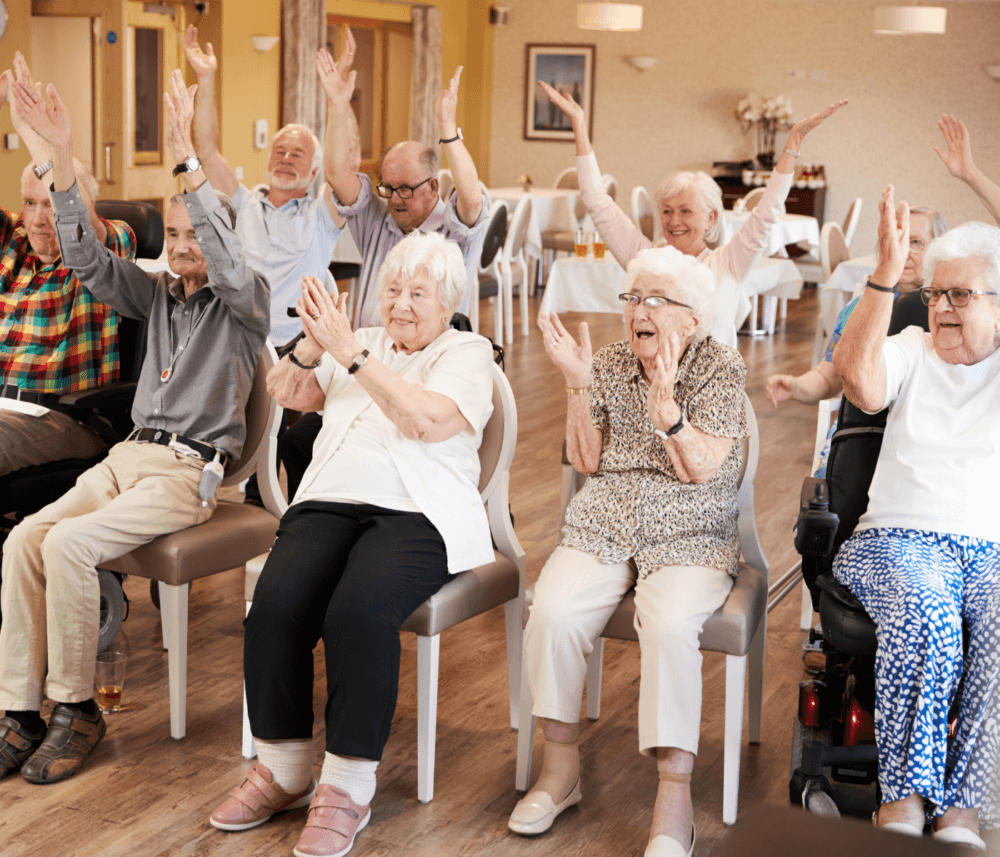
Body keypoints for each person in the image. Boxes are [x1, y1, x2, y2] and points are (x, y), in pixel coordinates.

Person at [0, 70, 268, 784]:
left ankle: (76, 709)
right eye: (173, 233)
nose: (181, 245)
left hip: (188, 470)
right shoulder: (156, 297)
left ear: (218, 240)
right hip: (127, 456)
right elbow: (85, 258)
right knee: (26, 537)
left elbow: (229, 259)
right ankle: (21, 714)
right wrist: (59, 157)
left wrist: (185, 157)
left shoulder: (246, 306)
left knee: (70, 544)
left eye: (194, 235)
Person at [211, 231, 494, 857]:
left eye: (419, 293)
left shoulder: (469, 352)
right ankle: (283, 770)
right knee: (275, 604)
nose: (400, 304)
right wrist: (315, 348)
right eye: (392, 289)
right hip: (329, 500)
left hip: (418, 512)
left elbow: (424, 421)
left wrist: (354, 357)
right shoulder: (355, 340)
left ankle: (346, 787)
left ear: (447, 303)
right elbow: (288, 394)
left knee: (359, 611)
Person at [513, 247, 747, 857]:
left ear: (690, 318)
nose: (637, 311)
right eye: (632, 298)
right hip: (608, 518)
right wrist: (575, 382)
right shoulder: (613, 361)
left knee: (670, 625)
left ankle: (674, 799)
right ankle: (560, 772)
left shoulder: (719, 367)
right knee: (554, 613)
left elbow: (700, 470)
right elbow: (587, 461)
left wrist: (668, 412)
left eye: (655, 300)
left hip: (690, 527)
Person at [832, 187, 1000, 848]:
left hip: (989, 545)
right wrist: (885, 272)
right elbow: (859, 383)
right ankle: (900, 804)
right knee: (929, 610)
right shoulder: (909, 346)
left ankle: (962, 808)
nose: (942, 308)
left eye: (961, 295)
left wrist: (975, 175)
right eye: (935, 293)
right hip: (894, 538)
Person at [538, 82, 846, 348]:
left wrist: (792, 145)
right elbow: (597, 202)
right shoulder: (645, 258)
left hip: (711, 393)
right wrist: (579, 125)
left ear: (710, 218)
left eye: (686, 211)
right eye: (668, 211)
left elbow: (766, 213)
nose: (674, 221)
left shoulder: (728, 262)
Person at [0, 54, 136, 479]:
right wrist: (21, 126)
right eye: (31, 203)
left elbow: (79, 221)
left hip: (62, 418)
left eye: (52, 204)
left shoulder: (107, 247)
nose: (41, 219)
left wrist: (47, 146)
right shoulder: (13, 242)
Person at [183, 24, 346, 348]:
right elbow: (207, 152)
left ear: (314, 171)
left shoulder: (322, 217)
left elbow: (342, 170)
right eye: (279, 151)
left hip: (293, 345)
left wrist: (336, 103)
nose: (285, 159)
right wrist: (206, 78)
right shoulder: (243, 202)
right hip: (235, 338)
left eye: (297, 154)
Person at [319, 36, 489, 328]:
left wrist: (448, 129)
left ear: (434, 187)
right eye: (388, 188)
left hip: (428, 363)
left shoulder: (454, 231)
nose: (395, 199)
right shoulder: (377, 220)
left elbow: (472, 198)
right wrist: (337, 105)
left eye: (406, 190)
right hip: (368, 356)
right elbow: (337, 175)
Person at [765, 207, 946, 439]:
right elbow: (827, 375)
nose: (903, 251)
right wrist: (796, 386)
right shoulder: (861, 306)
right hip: (861, 435)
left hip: (924, 433)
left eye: (916, 242)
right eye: (895, 240)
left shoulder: (947, 310)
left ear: (938, 251)